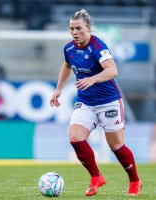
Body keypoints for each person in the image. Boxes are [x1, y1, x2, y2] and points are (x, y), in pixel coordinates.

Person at [50, 9, 142, 196]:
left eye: (78, 28)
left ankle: (135, 180)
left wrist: (92, 79)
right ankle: (96, 177)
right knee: (75, 137)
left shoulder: (97, 45)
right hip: (86, 102)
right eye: (71, 29)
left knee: (116, 146)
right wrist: (59, 88)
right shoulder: (69, 48)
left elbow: (112, 70)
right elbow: (67, 65)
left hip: (108, 101)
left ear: (88, 28)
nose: (75, 32)